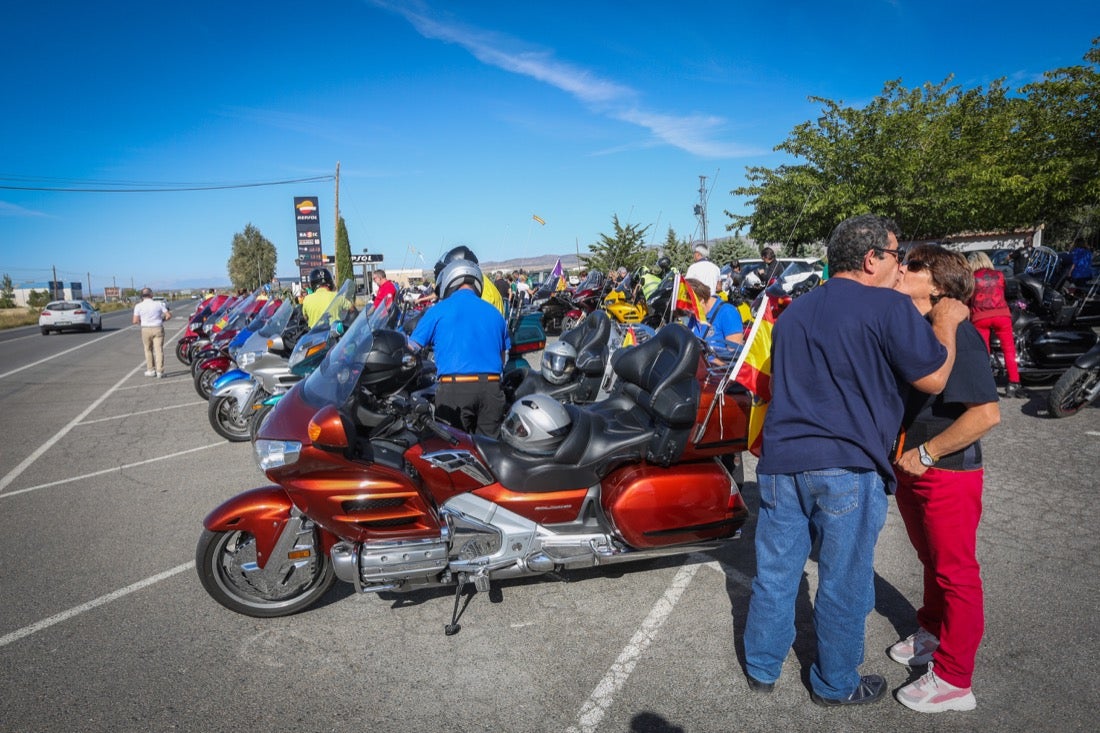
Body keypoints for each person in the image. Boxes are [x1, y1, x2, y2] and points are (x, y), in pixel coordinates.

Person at [742, 214, 969, 707]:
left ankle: (761, 666)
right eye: (895, 255)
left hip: (781, 463)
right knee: (843, 582)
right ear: (871, 259)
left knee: (776, 573)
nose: (900, 265)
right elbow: (933, 379)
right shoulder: (888, 306)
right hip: (848, 464)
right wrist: (947, 326)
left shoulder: (796, 312)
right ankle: (835, 683)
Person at [890, 244, 1000, 713]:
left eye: (913, 265)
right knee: (930, 559)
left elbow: (987, 415)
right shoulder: (919, 328)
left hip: (946, 471)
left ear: (936, 283)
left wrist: (929, 454)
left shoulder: (962, 335)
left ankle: (955, 680)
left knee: (956, 573)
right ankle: (932, 632)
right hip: (914, 466)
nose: (902, 269)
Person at [409, 254, 509, 436]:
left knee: (452, 453)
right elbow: (502, 357)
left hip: (455, 390)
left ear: (449, 279)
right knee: (489, 452)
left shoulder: (438, 310)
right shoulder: (495, 313)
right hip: (492, 389)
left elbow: (411, 348)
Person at [967, 252, 1023, 398]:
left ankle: (987, 385)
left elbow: (967, 300)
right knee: (1009, 350)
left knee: (983, 352)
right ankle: (1013, 384)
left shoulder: (971, 278)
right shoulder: (999, 274)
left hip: (980, 317)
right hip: (1001, 315)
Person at [687, 278, 743, 359]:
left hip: (718, 370)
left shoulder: (727, 313)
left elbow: (734, 359)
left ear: (701, 301)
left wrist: (707, 360)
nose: (689, 314)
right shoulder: (695, 317)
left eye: (690, 309)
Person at [132, 287, 172, 378]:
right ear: (151, 295)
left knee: (148, 349)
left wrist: (142, 322)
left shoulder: (138, 306)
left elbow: (135, 321)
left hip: (145, 328)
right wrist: (162, 320)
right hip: (157, 327)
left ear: (142, 296)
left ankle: (151, 369)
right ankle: (160, 371)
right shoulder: (159, 304)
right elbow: (168, 315)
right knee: (159, 350)